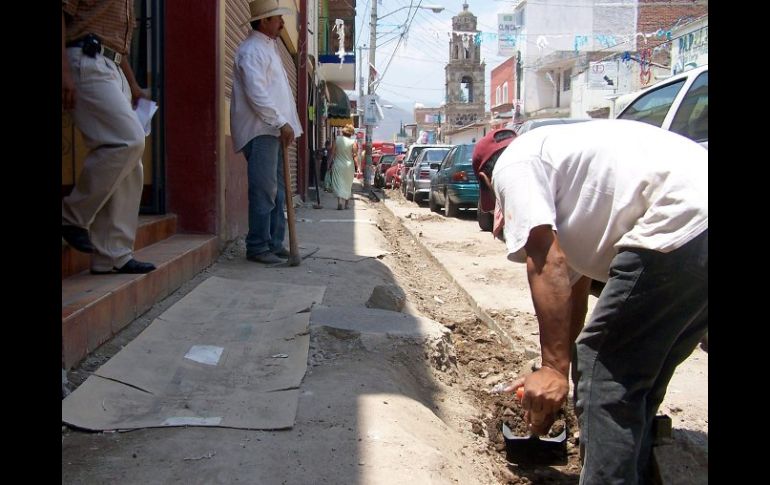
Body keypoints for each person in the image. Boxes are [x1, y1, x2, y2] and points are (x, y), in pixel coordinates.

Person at [473, 119, 707, 484]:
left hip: (681, 222)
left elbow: (547, 261)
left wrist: (551, 369)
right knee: (640, 377)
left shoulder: (513, 165)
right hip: (694, 221)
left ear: (488, 182)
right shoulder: (563, 158)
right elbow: (572, 288)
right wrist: (560, 370)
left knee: (606, 370)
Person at [61, 0, 156, 275]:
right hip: (85, 59)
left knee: (131, 160)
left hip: (113, 67)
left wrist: (135, 87)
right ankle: (71, 215)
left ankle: (112, 255)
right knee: (128, 141)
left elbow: (117, 45)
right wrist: (64, 72)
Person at [230, 0, 302, 264]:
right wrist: (281, 122)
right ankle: (258, 246)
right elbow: (257, 94)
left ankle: (274, 242)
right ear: (263, 22)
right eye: (276, 19)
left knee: (278, 191)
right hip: (262, 130)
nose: (282, 23)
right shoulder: (251, 51)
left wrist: (287, 125)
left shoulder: (268, 48)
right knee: (264, 190)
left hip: (274, 131)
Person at [328, 124, 360, 210]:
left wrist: (329, 164)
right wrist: (358, 167)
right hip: (349, 166)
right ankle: (346, 204)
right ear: (351, 133)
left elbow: (332, 153)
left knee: (339, 182)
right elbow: (355, 156)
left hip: (338, 164)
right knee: (348, 184)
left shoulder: (337, 139)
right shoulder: (353, 142)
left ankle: (339, 202)